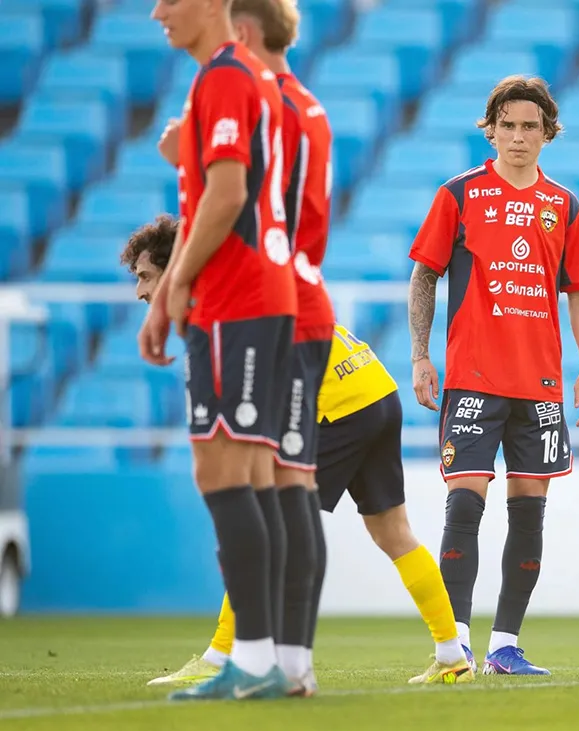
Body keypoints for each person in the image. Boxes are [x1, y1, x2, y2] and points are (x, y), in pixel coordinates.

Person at [124, 216, 475, 689]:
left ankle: (220, 657)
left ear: (174, 267)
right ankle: (452, 654)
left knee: (263, 524)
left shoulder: (218, 296)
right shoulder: (237, 277)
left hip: (337, 406)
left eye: (145, 276)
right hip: (373, 387)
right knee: (393, 532)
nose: (140, 292)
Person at [407, 76, 579, 678]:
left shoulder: (564, 205)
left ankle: (505, 646)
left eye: (530, 127)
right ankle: (456, 645)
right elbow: (424, 274)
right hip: (472, 378)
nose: (518, 137)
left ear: (548, 133)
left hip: (539, 385)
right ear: (490, 130)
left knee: (529, 513)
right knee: (464, 504)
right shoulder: (459, 194)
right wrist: (419, 355)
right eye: (508, 125)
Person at [142, 0, 298, 701]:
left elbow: (229, 193)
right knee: (249, 476)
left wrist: (175, 283)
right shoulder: (234, 78)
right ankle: (271, 657)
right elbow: (221, 190)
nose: (157, 12)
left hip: (240, 298)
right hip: (246, 298)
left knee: (225, 471)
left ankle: (261, 658)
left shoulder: (226, 77)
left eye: (171, 0)